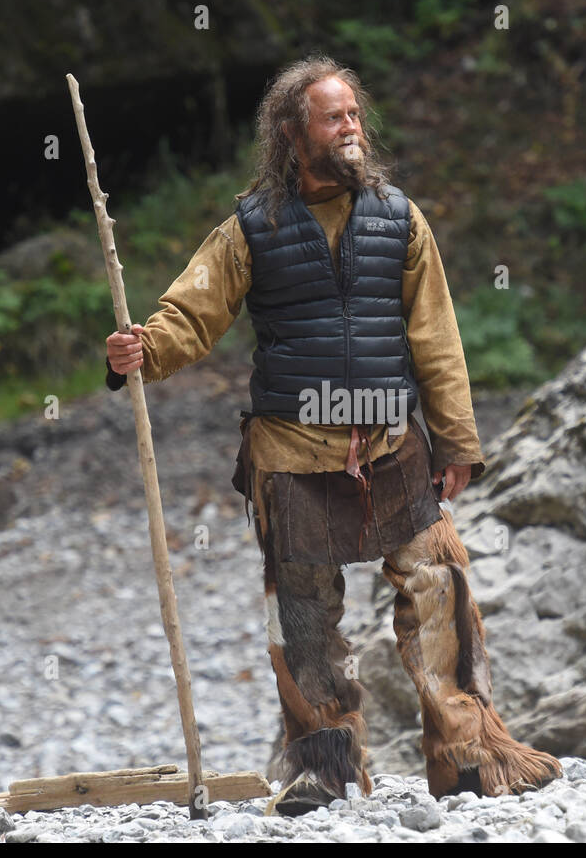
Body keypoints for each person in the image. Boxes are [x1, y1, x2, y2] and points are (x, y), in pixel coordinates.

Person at [104, 54, 561, 815]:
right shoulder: (251, 226)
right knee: (306, 620)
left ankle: (469, 754)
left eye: (355, 115)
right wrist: (140, 350)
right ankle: (325, 767)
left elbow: (437, 338)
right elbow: (192, 312)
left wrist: (457, 444)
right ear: (292, 133)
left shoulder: (399, 218)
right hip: (290, 454)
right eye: (333, 117)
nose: (351, 129)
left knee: (439, 590)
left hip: (394, 446)